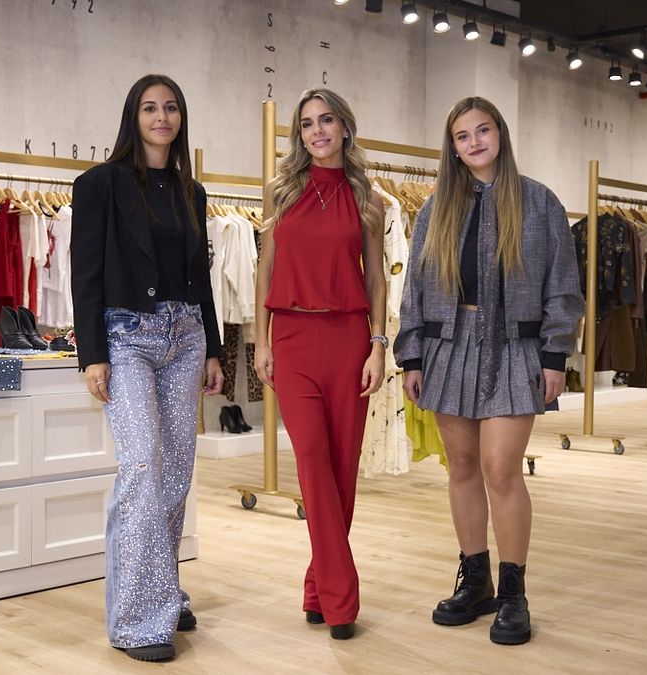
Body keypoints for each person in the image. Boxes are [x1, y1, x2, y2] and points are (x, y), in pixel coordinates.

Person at [394, 96, 583, 646]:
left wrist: (554, 356)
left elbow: (562, 284)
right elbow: (416, 287)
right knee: (461, 467)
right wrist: (411, 355)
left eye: (482, 130)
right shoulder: (435, 208)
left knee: (502, 470)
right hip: (448, 348)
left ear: (499, 133)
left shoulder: (539, 203)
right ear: (452, 147)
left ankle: (513, 592)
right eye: (462, 135)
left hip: (515, 348)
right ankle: (474, 580)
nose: (474, 142)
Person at [71, 73, 224, 663]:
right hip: (127, 336)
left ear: (181, 118)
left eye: (171, 108)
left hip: (185, 337)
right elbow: (85, 273)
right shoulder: (100, 185)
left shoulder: (193, 192)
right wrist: (93, 355)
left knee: (178, 472)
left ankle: (164, 590)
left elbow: (201, 277)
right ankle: (136, 620)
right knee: (142, 467)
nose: (162, 117)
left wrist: (211, 345)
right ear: (132, 115)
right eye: (150, 107)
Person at [253, 88, 387, 641]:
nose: (317, 132)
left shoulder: (369, 199)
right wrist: (261, 341)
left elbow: (377, 278)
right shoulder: (279, 193)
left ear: (344, 127)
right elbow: (265, 268)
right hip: (292, 337)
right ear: (299, 136)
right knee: (310, 462)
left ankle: (317, 586)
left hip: (349, 338)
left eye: (326, 120)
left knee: (341, 469)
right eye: (307, 124)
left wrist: (379, 343)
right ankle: (341, 599)